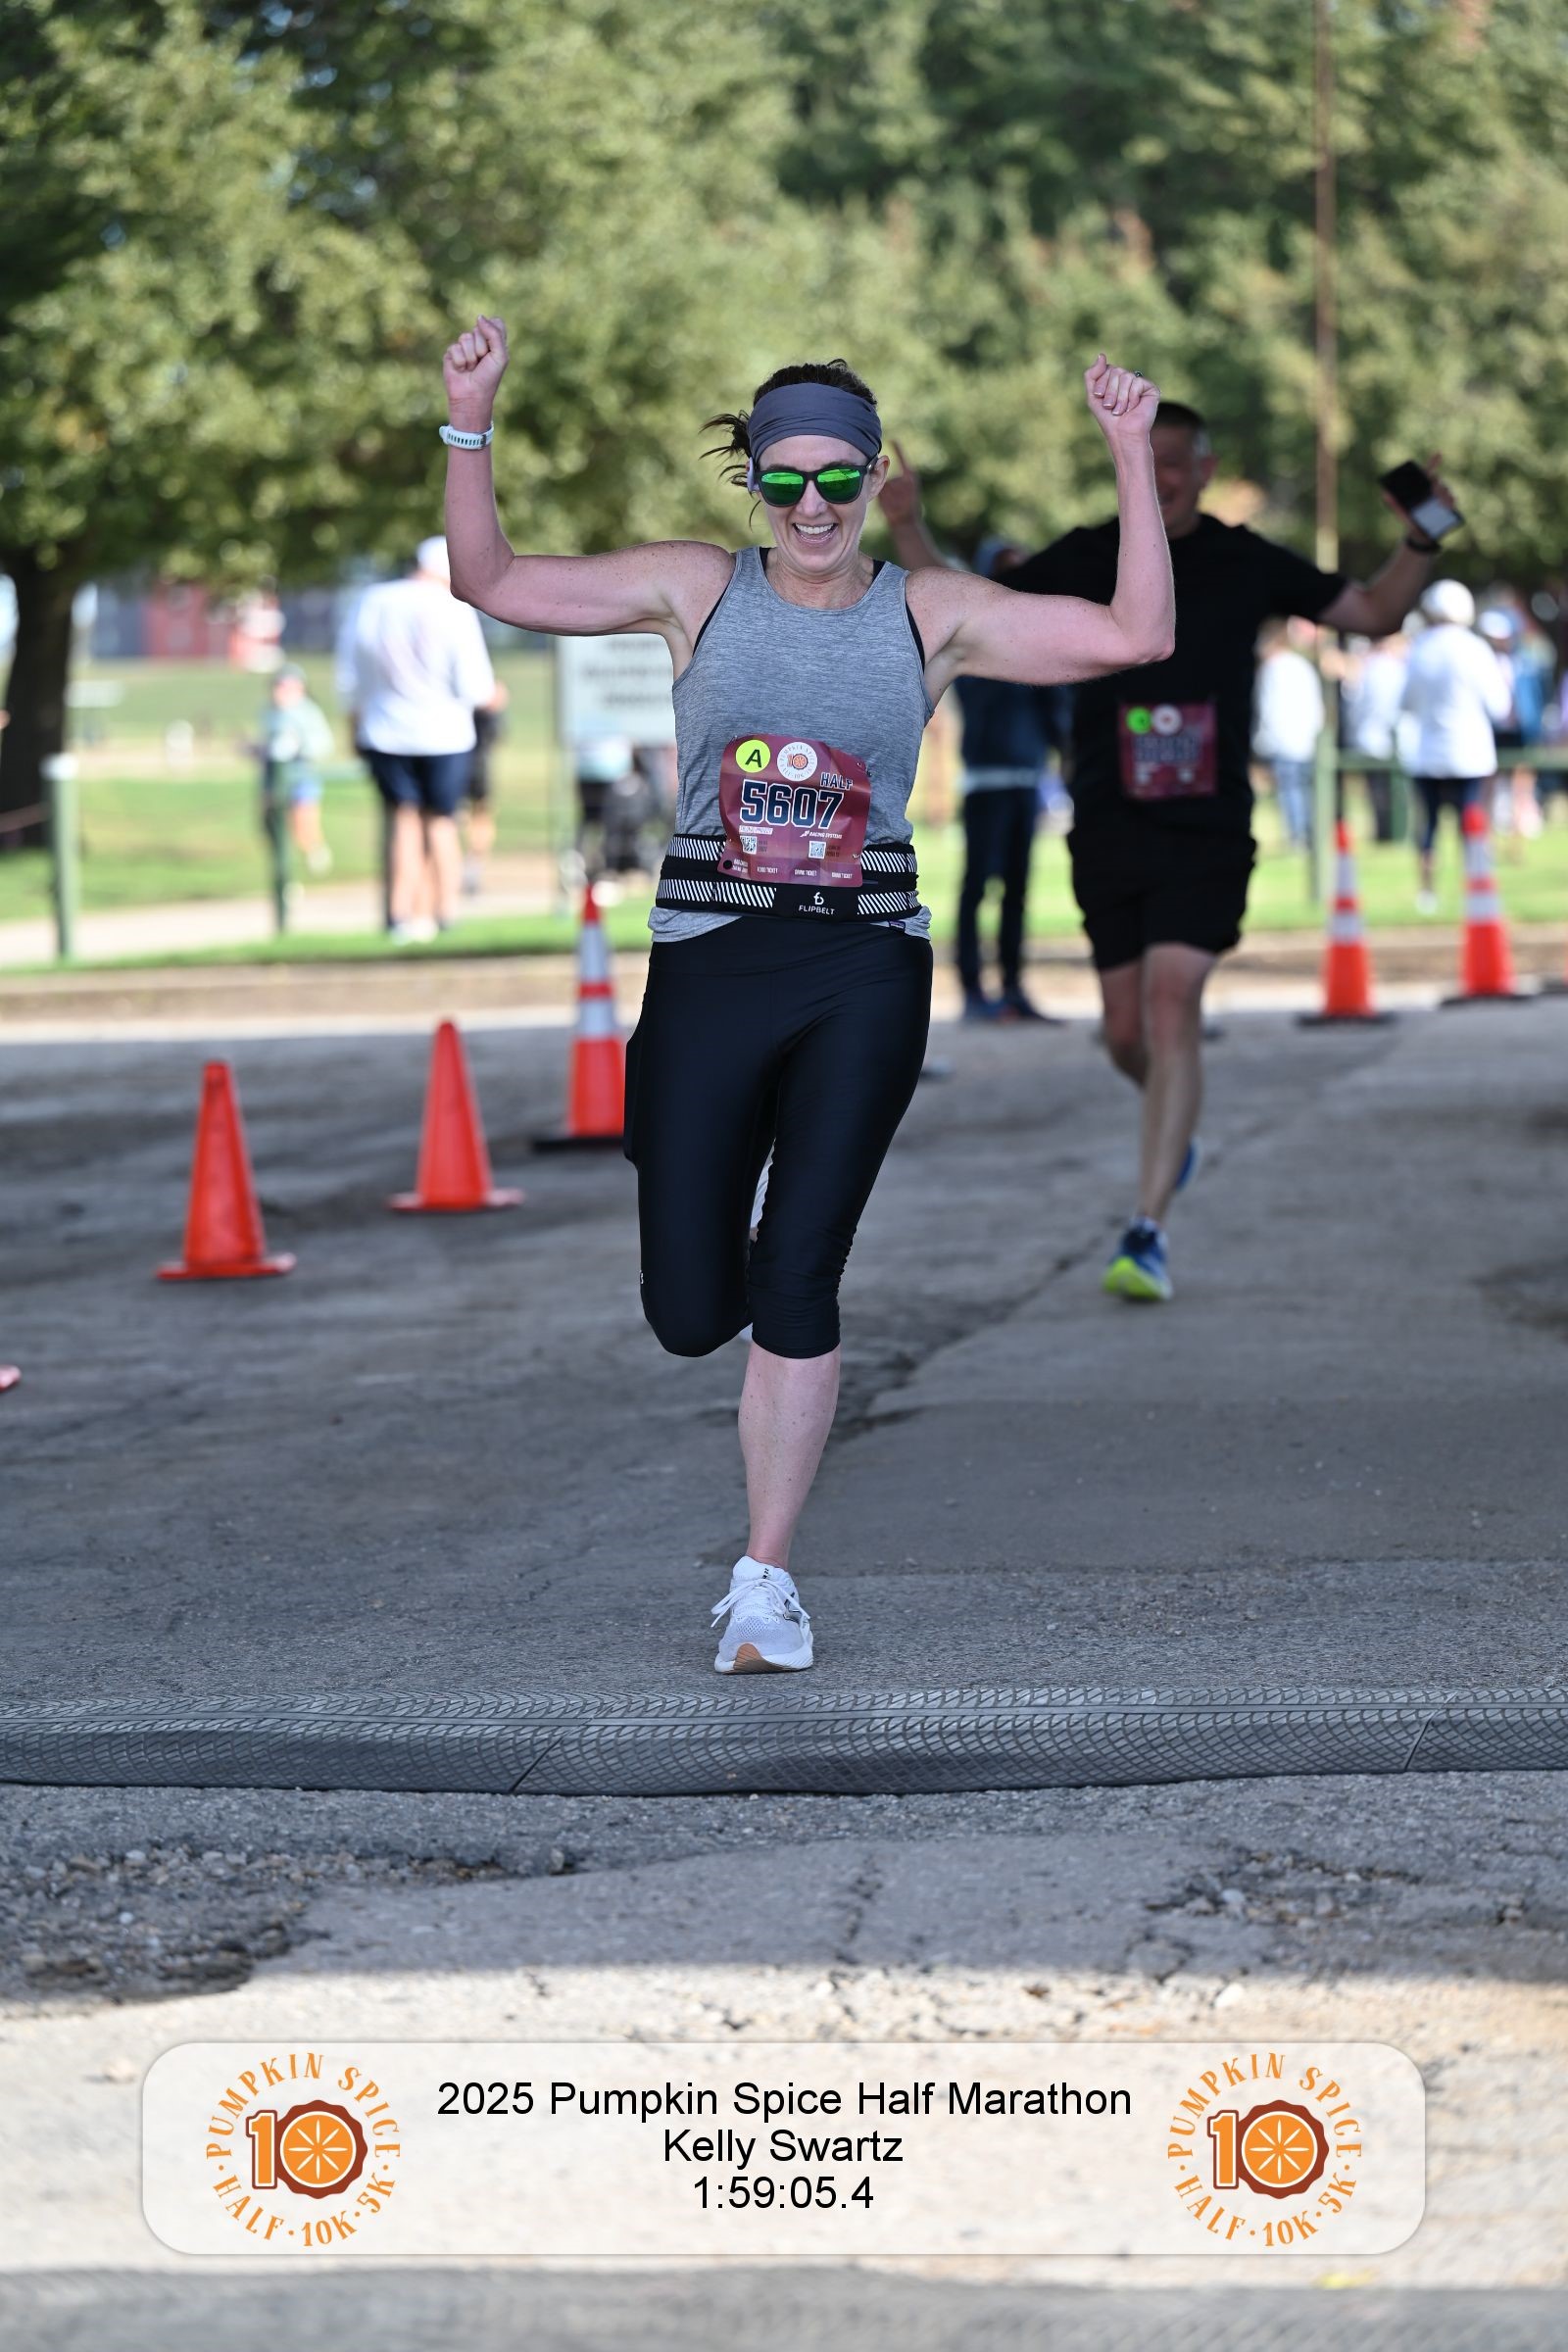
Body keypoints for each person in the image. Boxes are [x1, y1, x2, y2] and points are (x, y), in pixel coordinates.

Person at [441, 317, 1172, 1671]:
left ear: (874, 475)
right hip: (714, 962)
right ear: (756, 485)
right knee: (685, 1307)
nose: (818, 507)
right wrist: (470, 420)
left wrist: (1130, 452)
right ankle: (725, 1298)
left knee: (803, 1267)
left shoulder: (927, 614)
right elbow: (486, 579)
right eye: (789, 482)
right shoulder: (695, 591)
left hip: (862, 963)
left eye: (842, 479)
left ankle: (764, 1579)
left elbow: (1136, 632)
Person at [884, 415, 1460, 1303]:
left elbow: (1376, 612)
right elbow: (955, 604)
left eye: (1178, 465)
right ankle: (1172, 1119)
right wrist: (905, 520)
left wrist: (1422, 536)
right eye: (1143, 465)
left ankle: (1147, 1228)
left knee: (1169, 1002)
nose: (1162, 480)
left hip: (1208, 828)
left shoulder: (1248, 559)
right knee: (1126, 1033)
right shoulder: (1085, 555)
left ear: (1206, 467)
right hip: (1109, 826)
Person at [336, 535, 496, 942]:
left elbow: (350, 673)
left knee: (402, 820)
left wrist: (354, 724)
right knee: (442, 822)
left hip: (385, 729)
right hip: (445, 734)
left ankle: (398, 915)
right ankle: (447, 913)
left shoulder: (374, 601)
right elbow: (474, 685)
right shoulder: (454, 608)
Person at [952, 536, 1062, 1023]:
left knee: (1017, 889)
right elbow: (980, 702)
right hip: (986, 780)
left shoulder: (1036, 641)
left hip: (1025, 778)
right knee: (977, 887)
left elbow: (1057, 710)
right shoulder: (972, 640)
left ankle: (1014, 986)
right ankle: (973, 989)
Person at [1401, 578, 1511, 911]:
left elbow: (1407, 702)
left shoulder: (1420, 649)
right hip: (1471, 754)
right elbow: (1500, 706)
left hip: (1428, 753)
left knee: (1429, 828)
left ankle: (1428, 894)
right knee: (1473, 824)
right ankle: (1475, 888)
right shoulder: (1476, 649)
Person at [252, 662, 334, 876]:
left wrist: (300, 745)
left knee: (303, 823)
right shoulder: (269, 712)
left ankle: (313, 854)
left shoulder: (308, 711)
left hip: (300, 774)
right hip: (273, 774)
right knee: (272, 824)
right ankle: (283, 873)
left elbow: (323, 743)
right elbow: (268, 744)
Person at [1252, 616, 1324, 852]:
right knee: (1303, 790)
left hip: (1284, 740)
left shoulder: (1273, 669)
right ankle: (1308, 834)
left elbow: (1268, 707)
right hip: (1303, 740)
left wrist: (1262, 739)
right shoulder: (1301, 665)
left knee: (1291, 791)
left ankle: (1298, 837)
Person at [462, 678, 509, 896]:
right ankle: (468, 868)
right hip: (472, 764)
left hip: (467, 763)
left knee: (476, 817)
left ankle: (469, 868)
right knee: (478, 818)